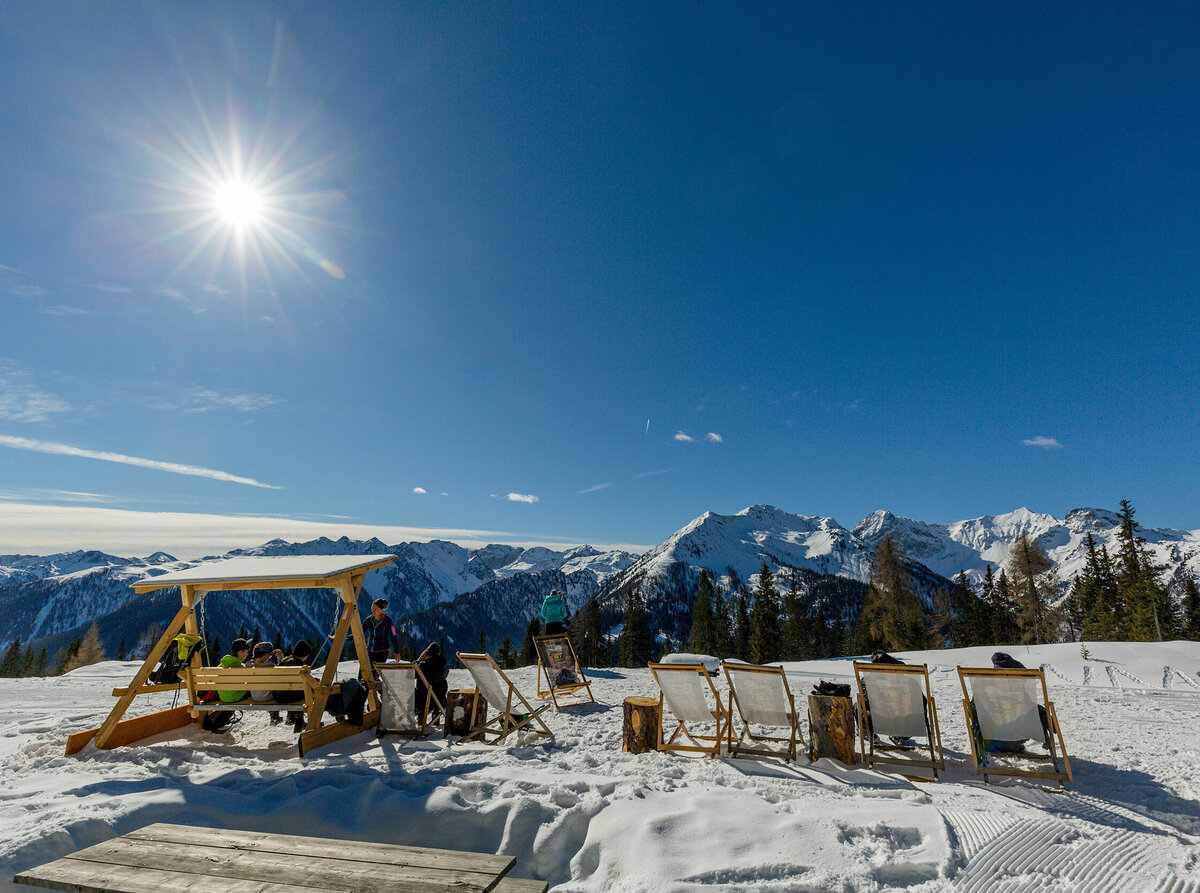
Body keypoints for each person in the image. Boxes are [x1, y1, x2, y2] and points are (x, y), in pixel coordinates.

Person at [277, 640, 312, 733]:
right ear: (304, 655)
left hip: (278, 695)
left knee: (293, 690)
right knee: (307, 692)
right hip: (291, 697)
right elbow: (305, 682)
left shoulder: (284, 660)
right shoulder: (299, 666)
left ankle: (292, 717)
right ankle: (300, 721)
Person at [249, 641, 284, 724]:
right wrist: (280, 658)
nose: (270, 657)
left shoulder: (248, 665)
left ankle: (274, 715)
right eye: (270, 655)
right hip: (267, 697)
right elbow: (282, 674)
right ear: (265, 655)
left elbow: (254, 661)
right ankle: (275, 715)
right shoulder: (270, 666)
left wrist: (254, 652)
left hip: (254, 696)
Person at [415, 641, 448, 722]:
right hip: (439, 701)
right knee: (439, 686)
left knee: (416, 690)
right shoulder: (444, 665)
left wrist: (418, 660)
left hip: (423, 702)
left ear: (427, 654)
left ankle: (421, 714)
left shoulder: (423, 666)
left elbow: (409, 675)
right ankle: (436, 713)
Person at [364, 598, 399, 668]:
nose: (373, 610)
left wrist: (397, 652)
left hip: (382, 651)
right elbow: (359, 632)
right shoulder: (368, 620)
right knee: (363, 674)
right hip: (369, 650)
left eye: (375, 609)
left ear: (381, 609)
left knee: (375, 674)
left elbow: (393, 637)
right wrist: (346, 637)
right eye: (372, 608)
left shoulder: (387, 621)